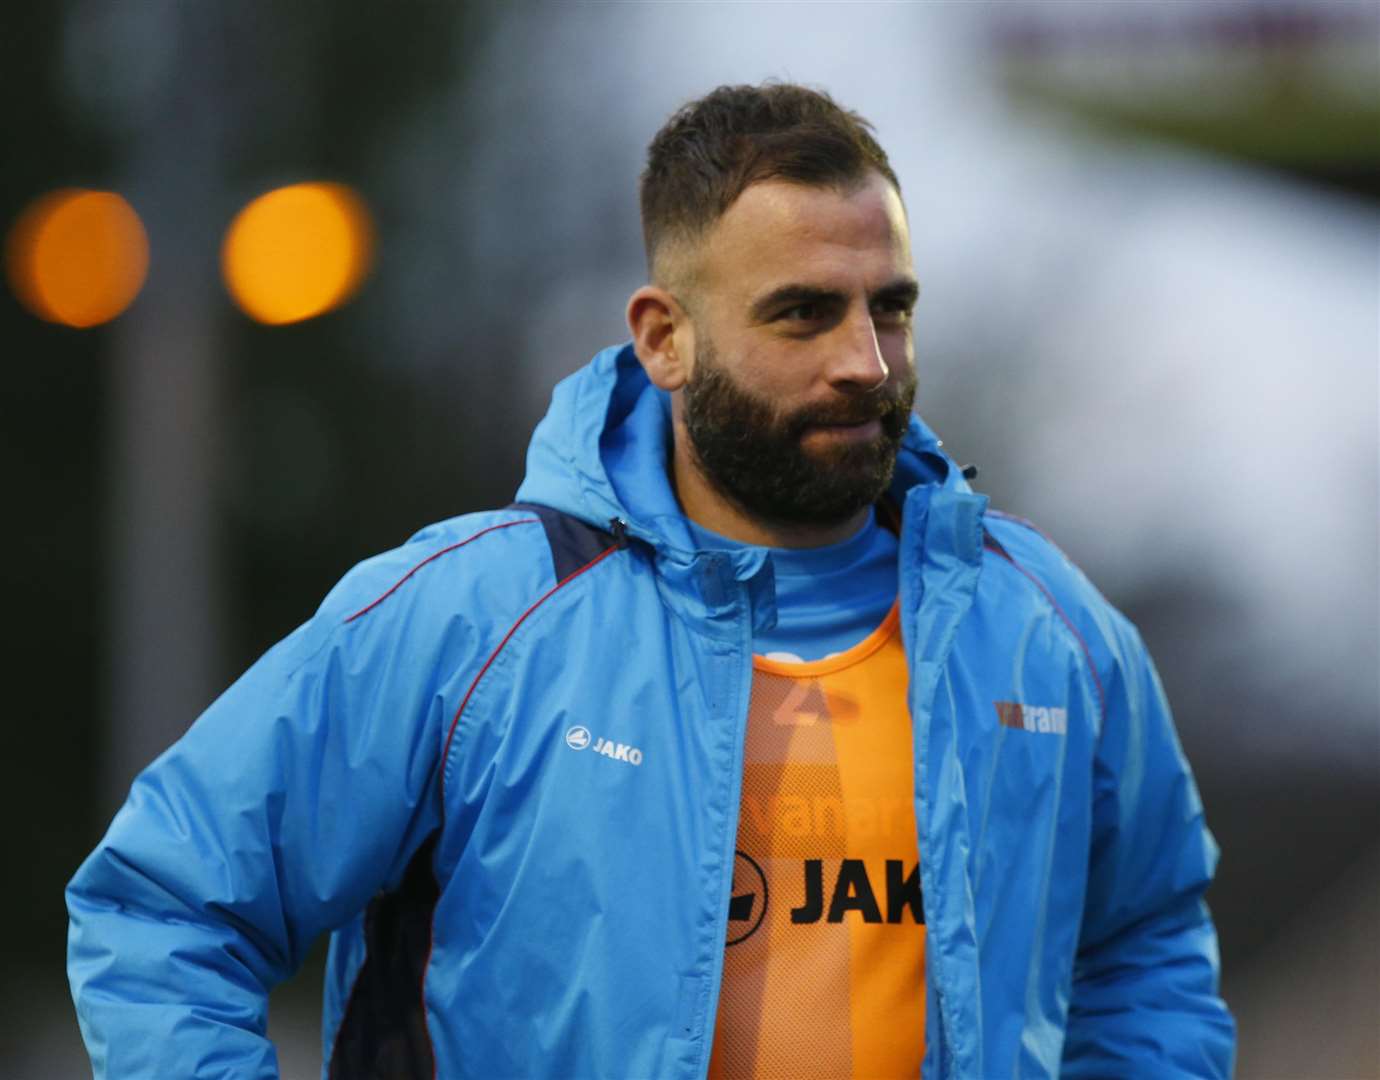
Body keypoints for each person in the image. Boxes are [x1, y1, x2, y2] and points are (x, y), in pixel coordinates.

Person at [67, 82, 1235, 1079]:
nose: (865, 362)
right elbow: (163, 909)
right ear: (663, 336)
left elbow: (1145, 946)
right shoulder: (469, 618)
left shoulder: (1046, 628)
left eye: (892, 308)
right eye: (803, 314)